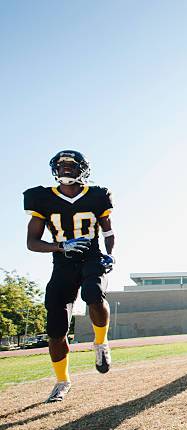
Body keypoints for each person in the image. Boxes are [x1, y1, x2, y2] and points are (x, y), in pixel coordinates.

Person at [24, 150, 115, 402]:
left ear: (82, 170)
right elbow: (31, 242)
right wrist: (61, 247)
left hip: (91, 256)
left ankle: (100, 343)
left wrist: (110, 254)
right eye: (61, 165)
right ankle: (62, 382)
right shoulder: (41, 198)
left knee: (93, 293)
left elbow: (108, 232)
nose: (66, 169)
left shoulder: (97, 196)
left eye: (71, 165)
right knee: (55, 328)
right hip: (62, 262)